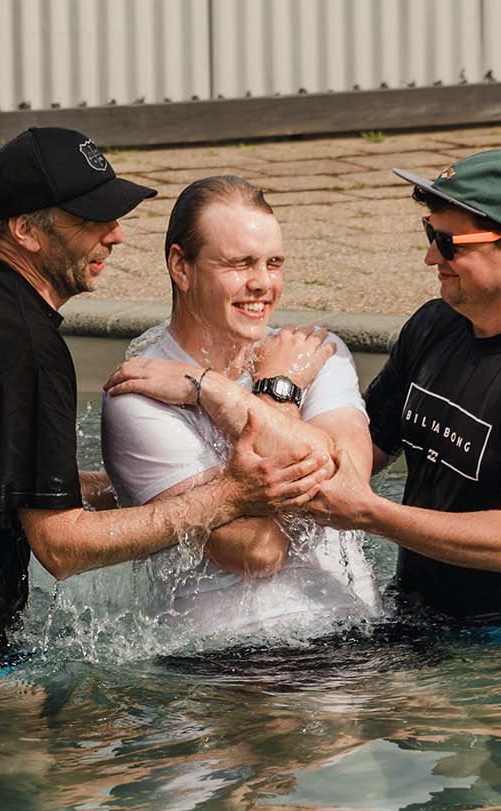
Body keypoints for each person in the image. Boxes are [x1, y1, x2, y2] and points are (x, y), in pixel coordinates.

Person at [0, 129, 332, 670]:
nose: (114, 236)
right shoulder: (26, 347)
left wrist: (136, 486)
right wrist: (226, 498)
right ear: (26, 230)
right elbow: (62, 547)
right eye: (91, 219)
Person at [303, 149, 501, 623]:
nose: (432, 256)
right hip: (422, 614)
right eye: (431, 234)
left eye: (451, 244)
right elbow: (366, 447)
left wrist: (368, 513)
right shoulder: (434, 326)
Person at [99, 175, 379, 643]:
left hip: (359, 640)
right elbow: (255, 549)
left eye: (274, 263)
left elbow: (350, 490)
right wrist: (279, 396)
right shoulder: (138, 394)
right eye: (239, 264)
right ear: (180, 267)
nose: (263, 284)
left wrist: (214, 391)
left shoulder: (312, 352)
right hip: (228, 666)